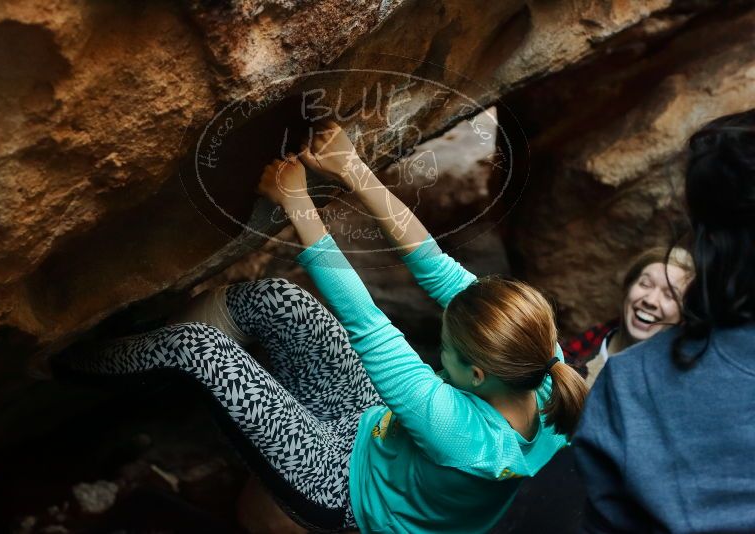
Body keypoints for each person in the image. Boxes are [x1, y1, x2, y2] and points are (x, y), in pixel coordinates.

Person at [55, 120, 587, 533]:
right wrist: (353, 169)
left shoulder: (458, 431)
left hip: (341, 486)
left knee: (202, 349)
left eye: (444, 348)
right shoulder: (539, 361)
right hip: (379, 433)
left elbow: (367, 323)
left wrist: (299, 205)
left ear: (476, 375)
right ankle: (145, 356)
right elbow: (436, 265)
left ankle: (64, 365)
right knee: (278, 300)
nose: (438, 350)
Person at [572, 109, 755, 532]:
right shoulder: (585, 356)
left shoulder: (632, 385)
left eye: (669, 292)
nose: (652, 300)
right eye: (645, 283)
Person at [565, 246, 694, 387]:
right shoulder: (582, 347)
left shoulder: (680, 383)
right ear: (628, 287)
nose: (650, 300)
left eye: (670, 295)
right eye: (645, 284)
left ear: (685, 314)